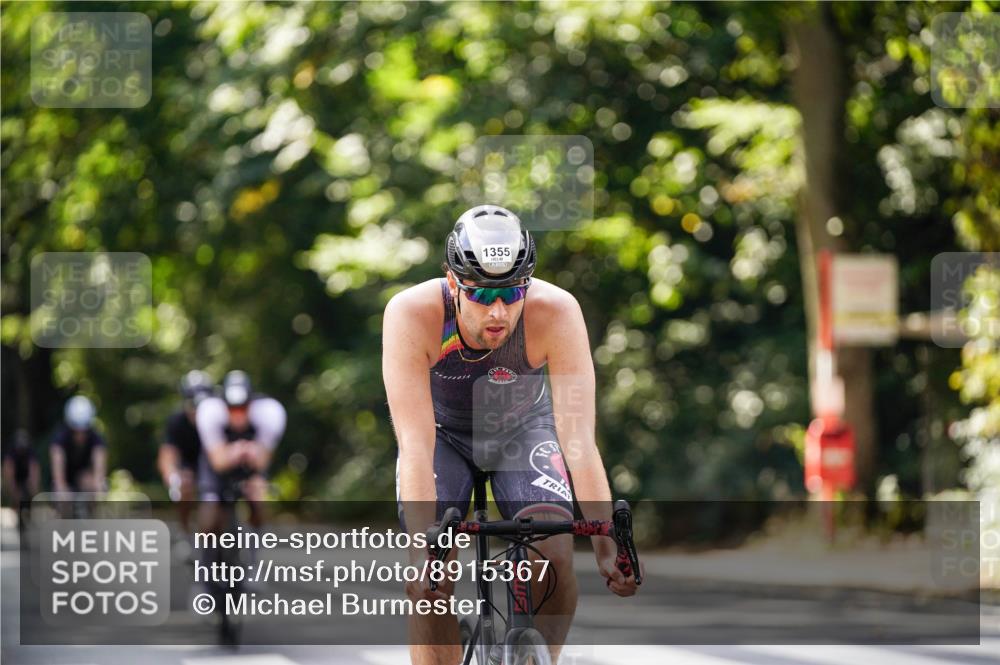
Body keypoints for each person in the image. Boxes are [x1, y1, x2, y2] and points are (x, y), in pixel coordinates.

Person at [383, 205, 641, 665]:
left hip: (521, 430)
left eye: (512, 291)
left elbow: (578, 439)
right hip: (442, 437)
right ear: (452, 282)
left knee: (555, 555)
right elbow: (416, 446)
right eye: (482, 293)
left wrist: (606, 547)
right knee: (432, 578)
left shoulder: (556, 311)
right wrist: (421, 553)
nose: (499, 310)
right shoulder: (412, 313)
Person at [195, 370, 286, 529]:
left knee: (258, 494)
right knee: (210, 506)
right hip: (217, 464)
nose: (238, 415)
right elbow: (218, 462)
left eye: (243, 409)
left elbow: (263, 460)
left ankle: (254, 540)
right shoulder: (209, 412)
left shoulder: (269, 413)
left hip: (250, 464)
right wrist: (234, 452)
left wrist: (252, 455)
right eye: (232, 409)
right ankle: (204, 547)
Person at [158, 370, 214, 532]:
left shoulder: (219, 419)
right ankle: (186, 533)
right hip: (189, 467)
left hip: (215, 466)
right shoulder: (177, 422)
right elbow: (167, 455)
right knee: (185, 486)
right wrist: (174, 479)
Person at [50, 396, 106, 494]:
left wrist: (97, 484)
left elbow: (99, 463)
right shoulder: (60, 437)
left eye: (84, 429)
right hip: (66, 479)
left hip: (85, 478)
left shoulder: (95, 437)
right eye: (76, 428)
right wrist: (61, 486)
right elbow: (57, 461)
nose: (80, 433)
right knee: (60, 493)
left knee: (94, 486)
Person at [2, 429, 41, 531]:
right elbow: (8, 473)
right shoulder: (10, 453)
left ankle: (29, 517)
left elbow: (34, 471)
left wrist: (34, 490)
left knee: (30, 495)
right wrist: (13, 491)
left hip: (26, 478)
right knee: (16, 497)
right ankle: (17, 516)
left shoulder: (31, 452)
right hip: (15, 478)